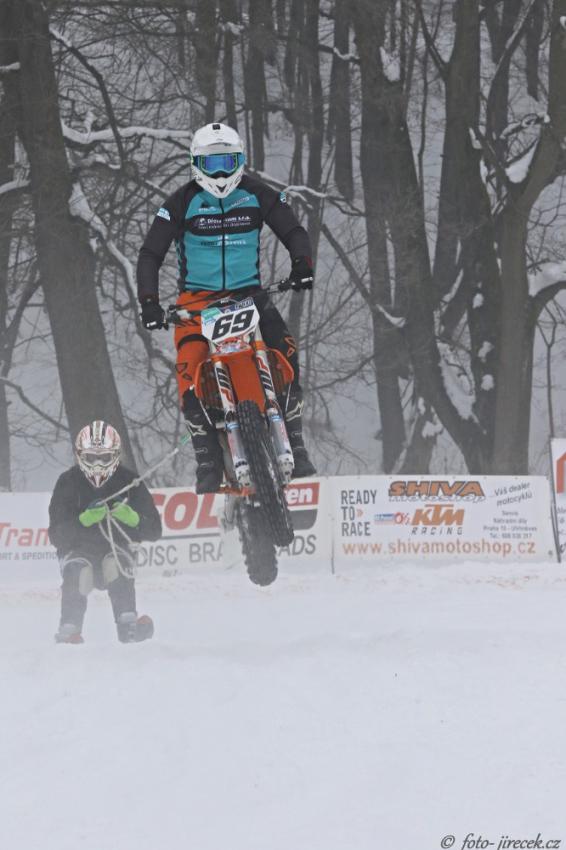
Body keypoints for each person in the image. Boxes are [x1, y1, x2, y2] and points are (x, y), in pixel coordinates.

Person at [136, 121, 316, 494]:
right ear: (195, 164)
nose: (220, 174)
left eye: (227, 162)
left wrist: (302, 264)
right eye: (211, 164)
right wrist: (149, 302)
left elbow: (293, 230)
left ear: (240, 161)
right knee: (188, 373)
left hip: (249, 295)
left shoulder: (257, 194)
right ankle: (207, 459)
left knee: (286, 354)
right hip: (196, 303)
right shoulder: (180, 202)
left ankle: (295, 443)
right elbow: (151, 252)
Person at [48, 421, 162, 644]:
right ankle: (69, 629)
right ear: (80, 456)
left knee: (115, 565)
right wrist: (83, 521)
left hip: (117, 548)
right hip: (79, 550)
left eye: (104, 457)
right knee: (78, 571)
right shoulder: (67, 482)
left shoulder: (130, 482)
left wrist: (132, 518)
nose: (98, 464)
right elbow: (56, 536)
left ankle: (128, 625)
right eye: (91, 457)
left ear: (115, 456)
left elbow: (154, 530)